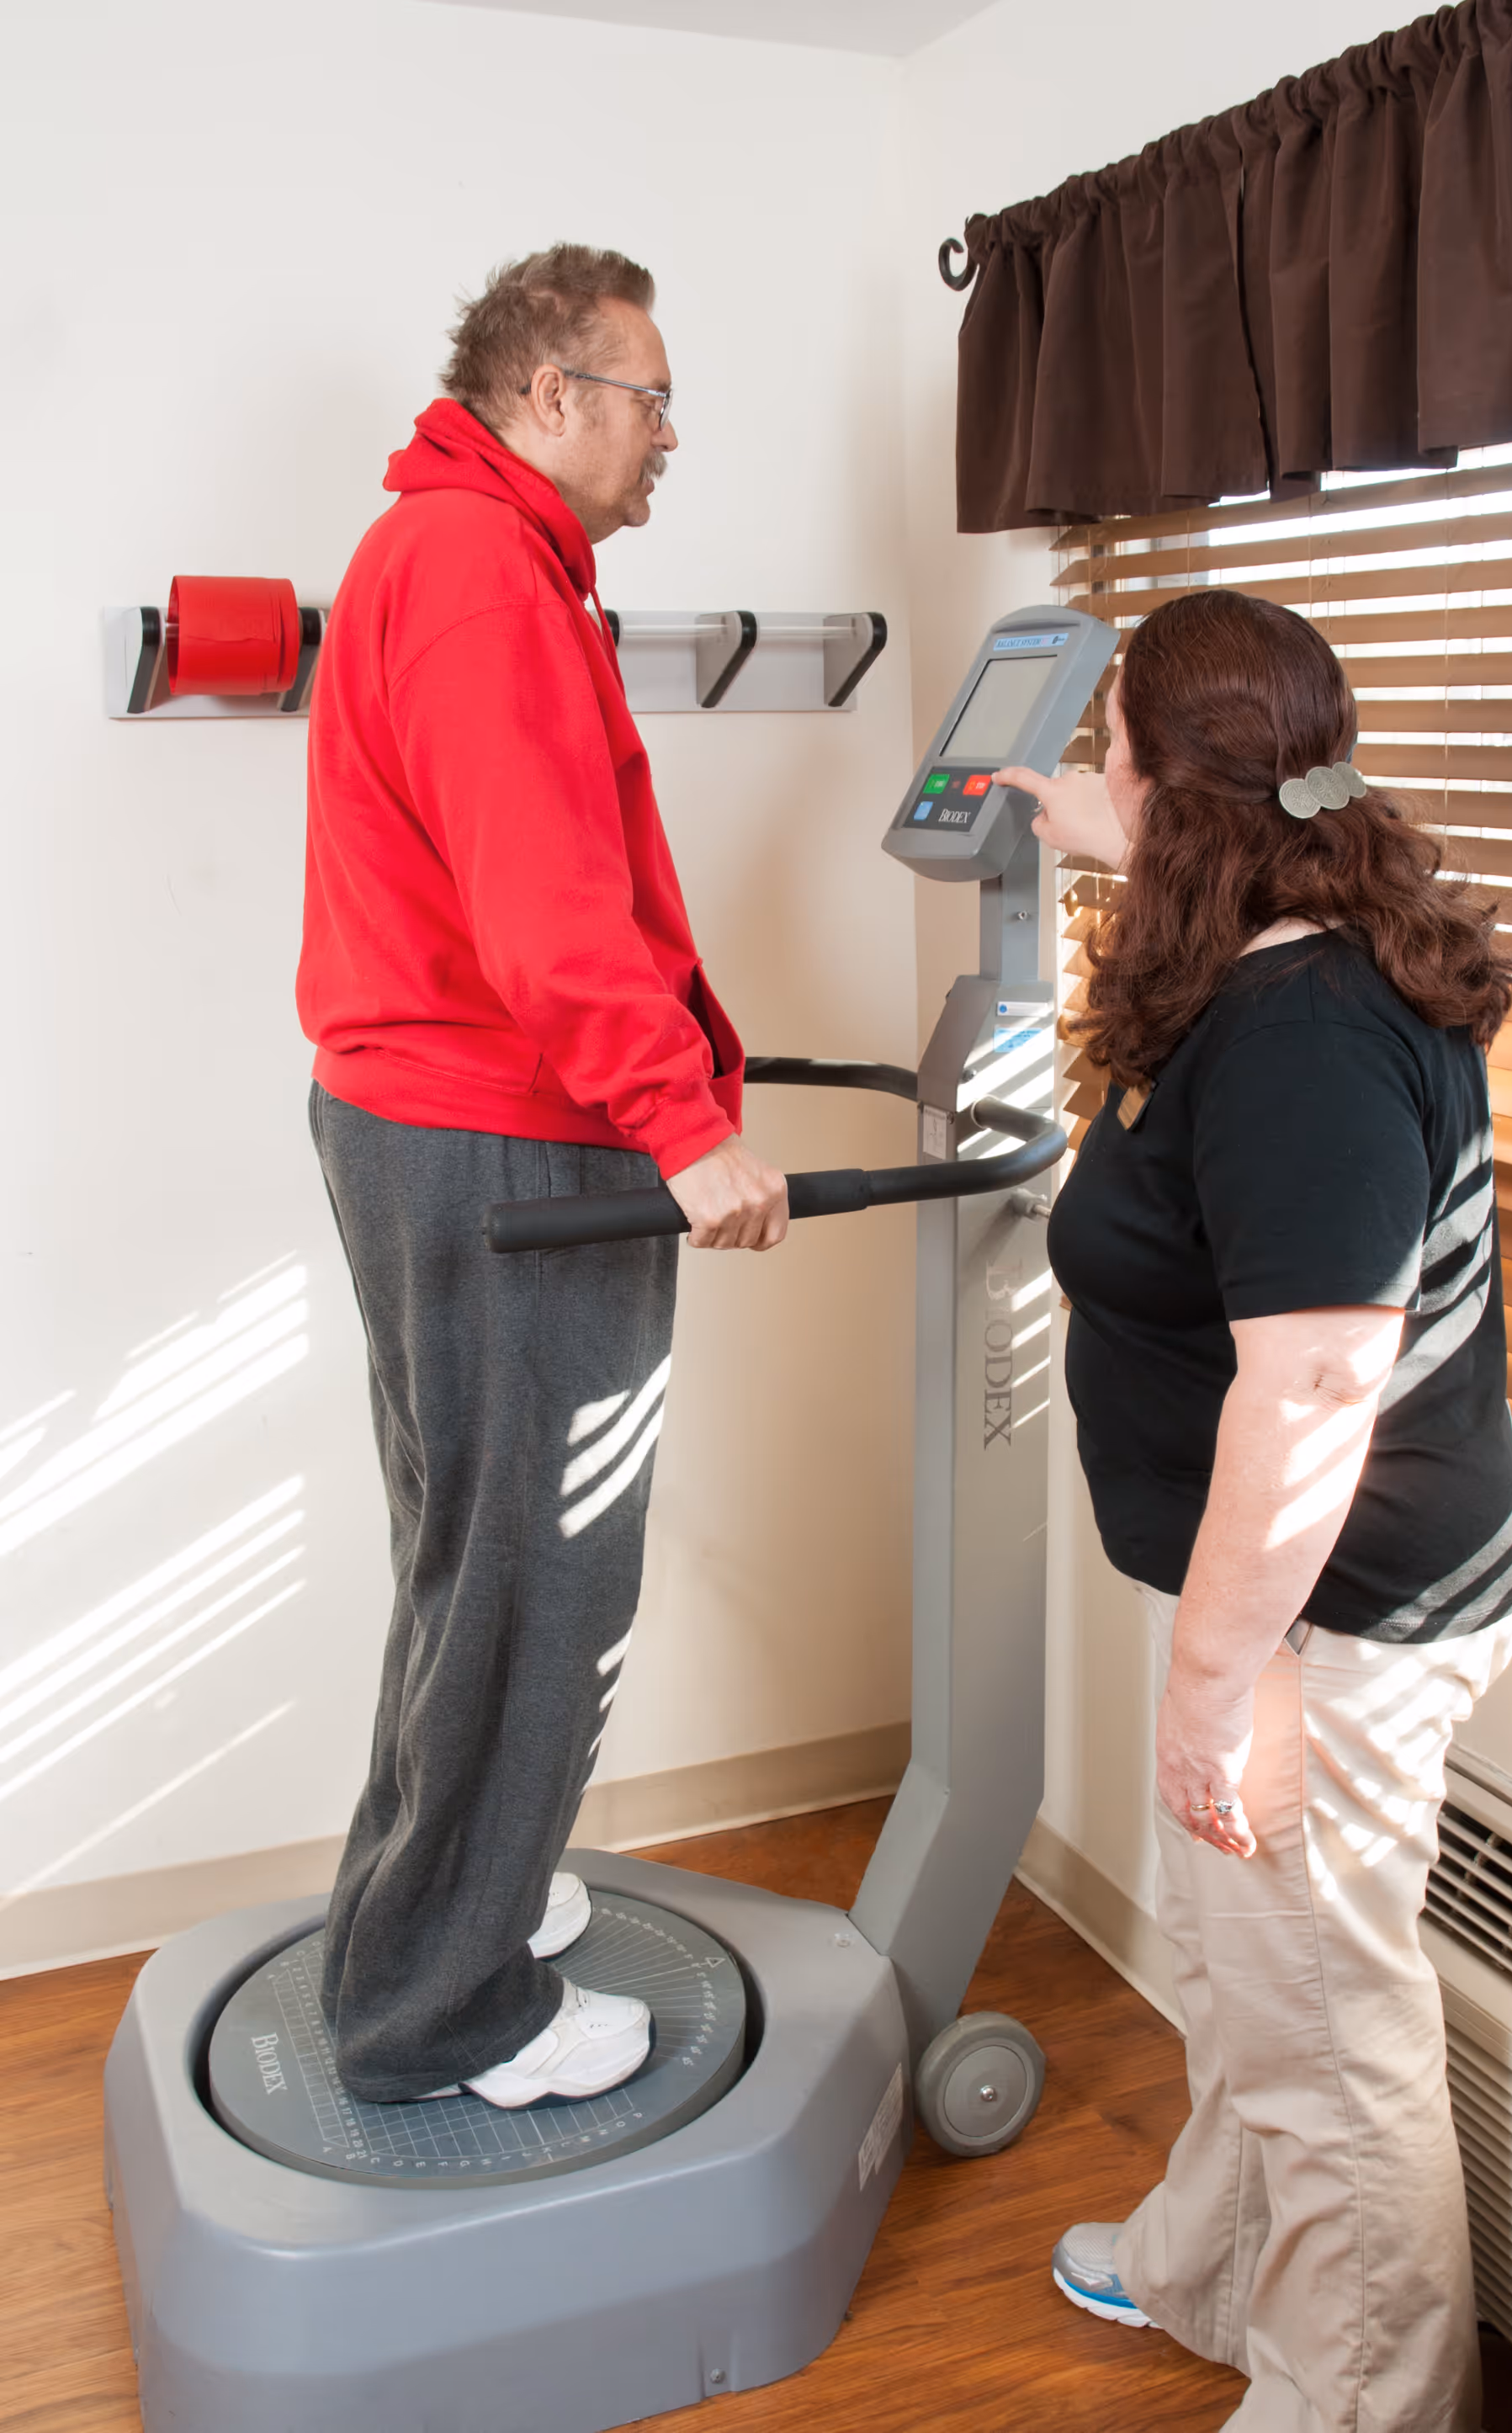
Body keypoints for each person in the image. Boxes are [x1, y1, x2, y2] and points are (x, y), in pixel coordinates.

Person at [997, 587, 1512, 2433]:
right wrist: (1073, 802)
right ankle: (1220, 2271)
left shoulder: (1303, 1032)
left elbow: (1312, 1395)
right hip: (1289, 1593)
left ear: (1187, 792)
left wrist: (1224, 1676)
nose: (1103, 782)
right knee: (1248, 1968)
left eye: (1117, 751)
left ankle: (1368, 2399)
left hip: (1338, 1610)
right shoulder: (1279, 925)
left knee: (1319, 2024)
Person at [295, 247, 788, 2112]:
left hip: (427, 1119)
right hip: (506, 1135)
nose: (671, 433)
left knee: (470, 1558)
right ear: (547, 396)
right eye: (649, 395)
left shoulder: (471, 558)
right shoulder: (482, 573)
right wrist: (685, 1123)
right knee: (534, 1579)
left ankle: (435, 1905)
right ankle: (443, 2010)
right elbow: (546, 903)